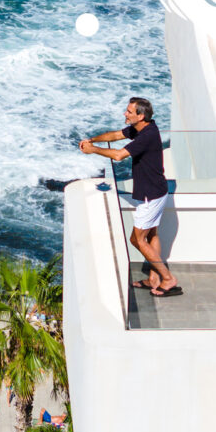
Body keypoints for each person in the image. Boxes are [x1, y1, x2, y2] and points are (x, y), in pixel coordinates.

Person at [81, 96, 182, 298]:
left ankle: (168, 279)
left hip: (150, 195)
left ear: (140, 116)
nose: (125, 114)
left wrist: (93, 150)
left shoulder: (147, 135)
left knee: (137, 239)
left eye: (129, 112)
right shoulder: (142, 128)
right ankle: (153, 278)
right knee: (152, 234)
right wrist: (92, 140)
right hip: (154, 190)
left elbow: (118, 155)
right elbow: (116, 135)